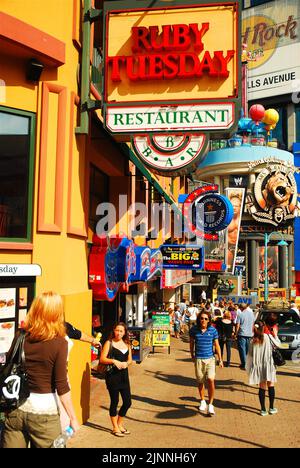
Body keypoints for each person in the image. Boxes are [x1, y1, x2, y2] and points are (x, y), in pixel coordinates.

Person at [2, 291, 80, 448]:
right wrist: (73, 417)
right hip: (44, 414)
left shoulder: (20, 336)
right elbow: (61, 384)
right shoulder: (59, 343)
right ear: (57, 313)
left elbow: (8, 366)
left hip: (15, 409)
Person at [100, 322, 132, 437]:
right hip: (112, 376)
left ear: (124, 333)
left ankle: (119, 424)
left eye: (121, 331)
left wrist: (126, 364)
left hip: (124, 376)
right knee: (115, 402)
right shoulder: (109, 343)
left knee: (128, 402)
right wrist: (114, 361)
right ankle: (114, 428)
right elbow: (102, 359)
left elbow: (130, 360)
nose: (118, 333)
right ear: (114, 331)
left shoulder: (127, 344)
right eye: (117, 330)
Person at [189, 311, 223, 416]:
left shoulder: (213, 330)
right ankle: (203, 401)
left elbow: (217, 345)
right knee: (200, 381)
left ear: (209, 320)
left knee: (211, 380)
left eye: (206, 319)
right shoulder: (194, 330)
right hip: (199, 358)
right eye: (202, 318)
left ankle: (211, 404)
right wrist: (192, 356)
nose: (203, 320)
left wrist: (220, 359)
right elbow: (191, 343)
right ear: (199, 319)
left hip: (210, 359)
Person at [246, 321, 281, 416]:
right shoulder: (268, 337)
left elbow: (249, 356)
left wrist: (249, 370)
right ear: (263, 327)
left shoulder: (252, 340)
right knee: (271, 385)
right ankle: (272, 408)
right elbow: (279, 345)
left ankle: (263, 409)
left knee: (262, 387)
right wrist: (275, 335)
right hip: (269, 365)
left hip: (258, 366)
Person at [235, 303, 256, 370]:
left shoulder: (240, 314)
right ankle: (248, 363)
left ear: (241, 308)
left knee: (242, 350)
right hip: (250, 334)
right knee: (248, 350)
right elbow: (253, 325)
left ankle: (244, 364)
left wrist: (236, 333)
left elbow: (237, 325)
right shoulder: (252, 314)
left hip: (242, 334)